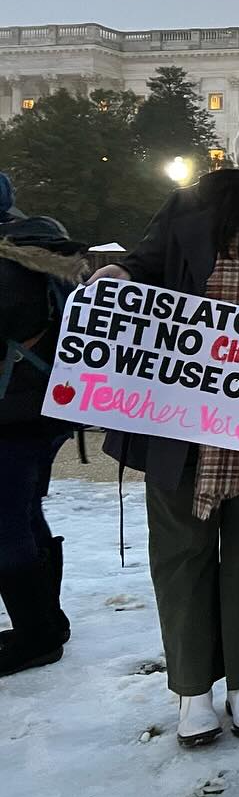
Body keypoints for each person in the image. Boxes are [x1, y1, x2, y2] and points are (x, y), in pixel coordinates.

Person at [88, 100, 239, 746]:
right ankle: (192, 690)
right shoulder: (193, 209)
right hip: (181, 409)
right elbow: (147, 265)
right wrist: (118, 274)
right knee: (183, 553)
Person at [0, 175, 88, 678]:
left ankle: (37, 636)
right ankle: (46, 621)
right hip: (44, 404)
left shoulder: (8, 263)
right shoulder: (32, 243)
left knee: (7, 523)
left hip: (14, 409)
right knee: (24, 510)